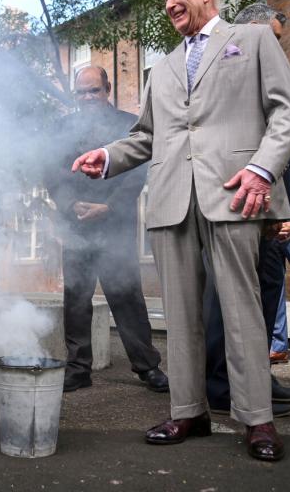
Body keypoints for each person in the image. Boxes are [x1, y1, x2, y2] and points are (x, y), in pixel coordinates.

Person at [72, 0, 290, 461]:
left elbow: (285, 110)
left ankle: (256, 419)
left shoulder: (253, 41)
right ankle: (188, 411)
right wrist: (107, 157)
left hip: (235, 193)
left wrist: (262, 169)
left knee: (241, 309)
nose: (169, 3)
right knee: (180, 314)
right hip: (172, 200)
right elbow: (148, 137)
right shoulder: (166, 66)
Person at [45, 66, 168, 393]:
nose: (87, 98)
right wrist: (71, 204)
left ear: (107, 89)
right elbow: (51, 173)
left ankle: (147, 367)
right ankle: (78, 367)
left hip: (116, 223)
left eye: (94, 91)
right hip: (75, 225)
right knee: (76, 297)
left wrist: (110, 205)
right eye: (81, 93)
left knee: (126, 294)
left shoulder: (128, 124)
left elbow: (138, 171)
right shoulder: (60, 128)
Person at [204, 3, 290, 417]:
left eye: (279, 41)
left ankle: (256, 379)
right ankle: (222, 386)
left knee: (266, 295)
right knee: (226, 300)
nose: (276, 48)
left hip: (272, 207)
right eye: (270, 39)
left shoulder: (275, 83)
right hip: (234, 204)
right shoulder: (224, 79)